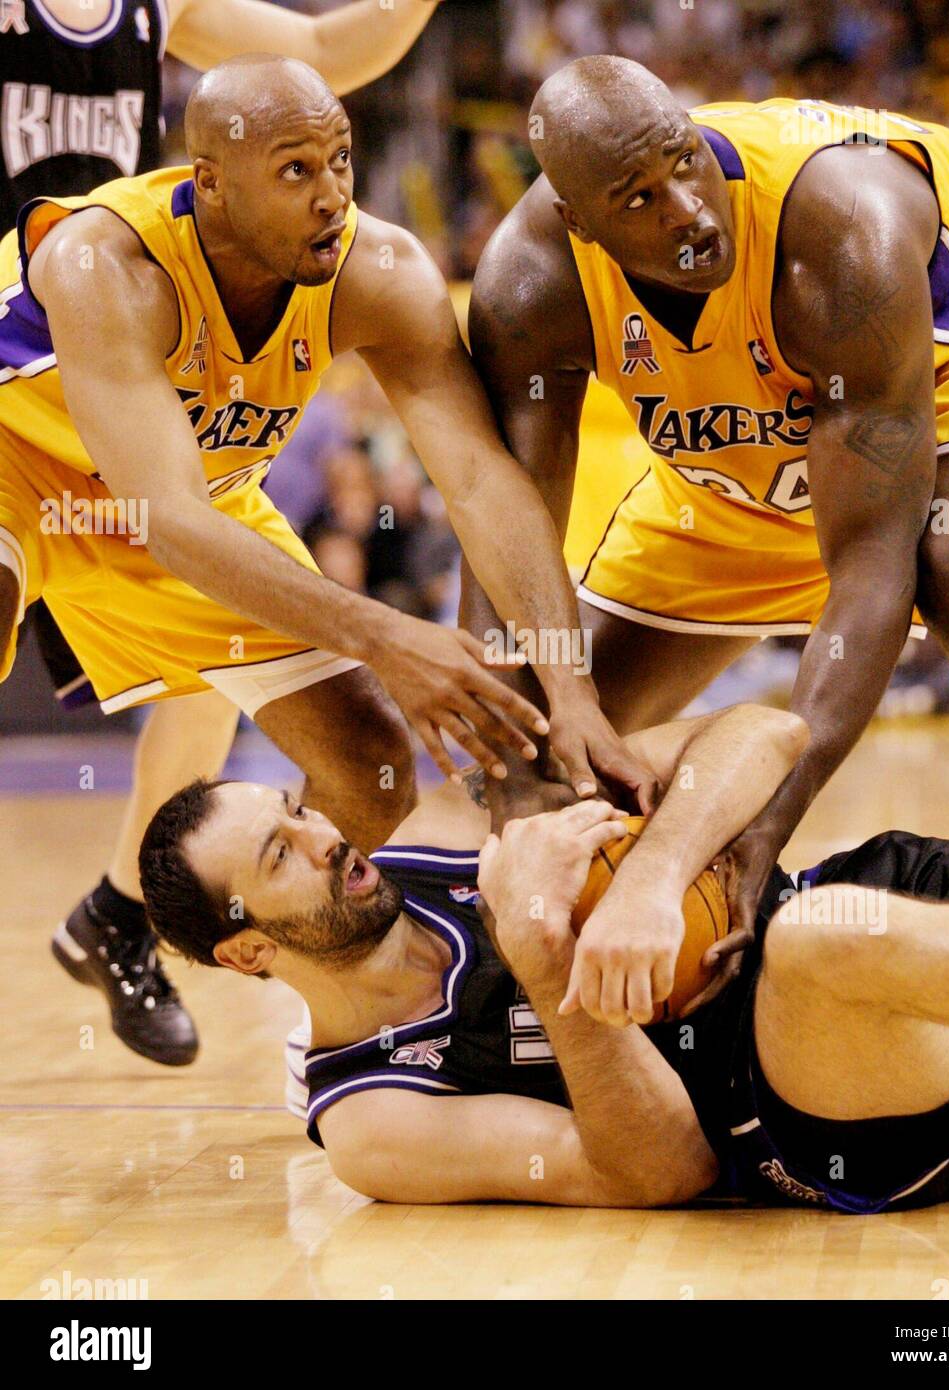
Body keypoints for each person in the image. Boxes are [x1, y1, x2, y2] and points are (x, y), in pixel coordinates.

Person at [0, 55, 654, 1054]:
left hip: (193, 498)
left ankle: (169, 936)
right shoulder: (106, 260)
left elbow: (479, 480)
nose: (333, 194)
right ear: (210, 182)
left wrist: (567, 685)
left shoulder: (377, 271)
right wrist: (390, 638)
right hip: (27, 470)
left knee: (374, 774)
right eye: (296, 169)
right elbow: (166, 517)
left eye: (341, 160)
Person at [463, 55, 949, 976]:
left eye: (684, 162)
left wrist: (769, 821)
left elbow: (875, 565)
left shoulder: (839, 228)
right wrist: (529, 753)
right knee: (550, 739)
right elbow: (504, 525)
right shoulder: (527, 287)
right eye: (637, 201)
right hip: (766, 445)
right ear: (576, 223)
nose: (687, 210)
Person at [2, 0, 448, 1065]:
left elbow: (330, 53)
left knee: (303, 725)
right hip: (23, 384)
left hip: (136, 390)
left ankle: (123, 914)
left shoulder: (161, 7)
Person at [138, 705, 949, 1211]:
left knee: (849, 910)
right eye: (279, 857)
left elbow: (765, 734)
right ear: (250, 948)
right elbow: (661, 1174)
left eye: (297, 814)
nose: (326, 840)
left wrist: (651, 877)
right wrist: (548, 969)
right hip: (825, 1106)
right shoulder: (373, 1122)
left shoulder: (468, 829)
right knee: (819, 940)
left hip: (890, 896)